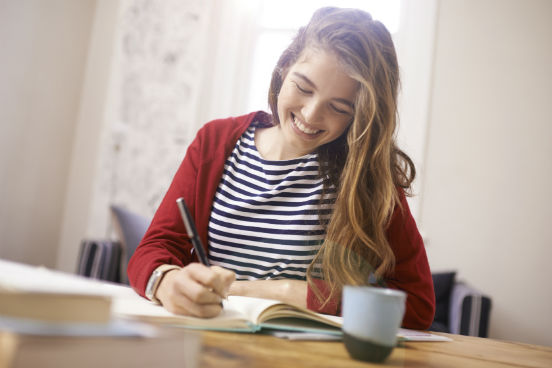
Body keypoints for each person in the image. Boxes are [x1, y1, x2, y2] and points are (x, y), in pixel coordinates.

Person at [128, 7, 435, 330]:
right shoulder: (216, 141)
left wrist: (291, 293)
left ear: (359, 115)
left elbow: (417, 305)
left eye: (338, 107)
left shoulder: (367, 176)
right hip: (208, 341)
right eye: (303, 88)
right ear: (284, 67)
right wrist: (165, 281)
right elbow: (154, 250)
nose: (311, 115)